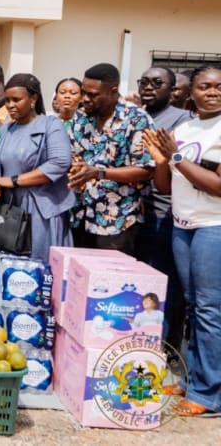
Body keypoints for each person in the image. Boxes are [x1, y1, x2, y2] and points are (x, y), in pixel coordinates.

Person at [143, 65, 221, 416]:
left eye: (220, 87)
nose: (213, 92)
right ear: (192, 92)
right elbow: (164, 185)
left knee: (209, 311)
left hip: (213, 226)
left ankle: (209, 395)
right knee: (191, 308)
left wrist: (174, 156)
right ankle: (191, 380)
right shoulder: (186, 127)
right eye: (205, 86)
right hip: (182, 224)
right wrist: (162, 160)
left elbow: (218, 186)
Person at [0, 73, 75, 261]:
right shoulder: (6, 129)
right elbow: (0, 167)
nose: (10, 105)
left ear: (33, 99)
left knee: (38, 266)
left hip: (39, 210)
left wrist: (12, 181)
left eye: (17, 100)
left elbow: (59, 163)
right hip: (11, 210)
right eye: (7, 100)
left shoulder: (50, 125)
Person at [67, 63, 155, 254]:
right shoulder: (81, 117)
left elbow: (146, 170)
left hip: (118, 221)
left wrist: (98, 173)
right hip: (81, 216)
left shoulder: (136, 119)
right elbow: (72, 155)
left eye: (93, 94)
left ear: (113, 91)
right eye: (84, 92)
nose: (85, 99)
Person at [134, 66, 190, 352]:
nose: (148, 87)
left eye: (157, 83)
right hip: (135, 212)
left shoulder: (182, 120)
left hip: (164, 212)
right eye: (143, 82)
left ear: (172, 90)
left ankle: (165, 347)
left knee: (167, 287)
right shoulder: (135, 116)